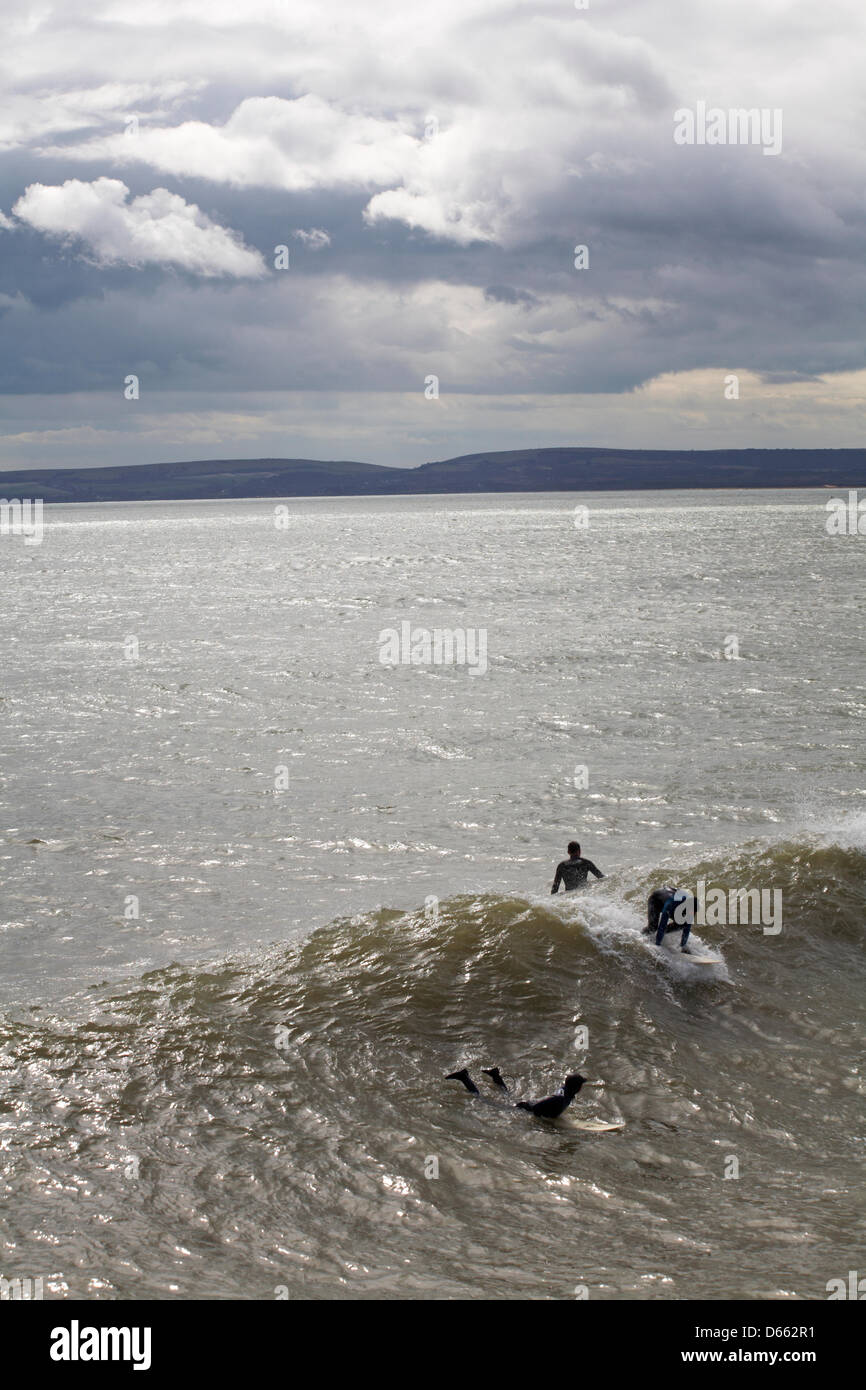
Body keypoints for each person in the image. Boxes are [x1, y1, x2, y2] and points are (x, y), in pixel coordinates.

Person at [446, 1067, 587, 1119]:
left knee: (506, 1095)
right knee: (481, 1099)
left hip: (528, 1103)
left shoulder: (567, 1092)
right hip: (524, 1108)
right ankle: (464, 1077)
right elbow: (539, 1107)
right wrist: (540, 1119)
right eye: (581, 1085)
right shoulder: (560, 1099)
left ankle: (496, 1076)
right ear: (577, 1087)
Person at [644, 886, 693, 953]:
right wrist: (657, 946)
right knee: (653, 928)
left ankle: (658, 936)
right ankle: (642, 936)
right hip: (655, 900)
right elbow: (662, 924)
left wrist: (683, 945)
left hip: (670, 897)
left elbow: (687, 927)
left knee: (682, 924)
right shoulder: (671, 904)